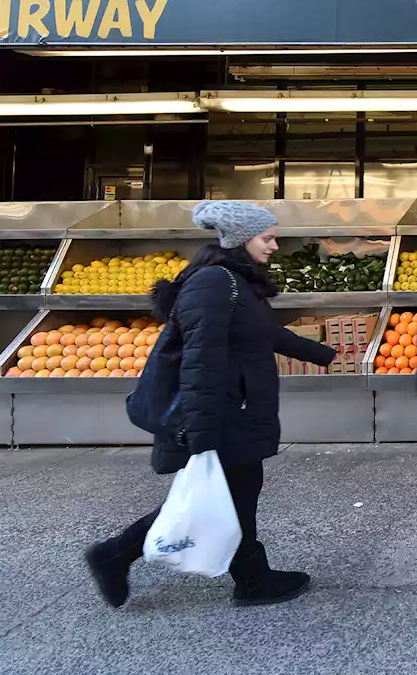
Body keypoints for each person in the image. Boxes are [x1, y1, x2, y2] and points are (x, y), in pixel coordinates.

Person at [84, 201, 337, 609]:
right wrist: (201, 435)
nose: (274, 246)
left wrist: (322, 353)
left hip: (234, 409)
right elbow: (199, 361)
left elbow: (261, 332)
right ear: (241, 239)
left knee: (233, 493)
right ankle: (116, 554)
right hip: (221, 413)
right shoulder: (214, 284)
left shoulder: (234, 282)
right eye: (267, 238)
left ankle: (250, 577)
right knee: (225, 495)